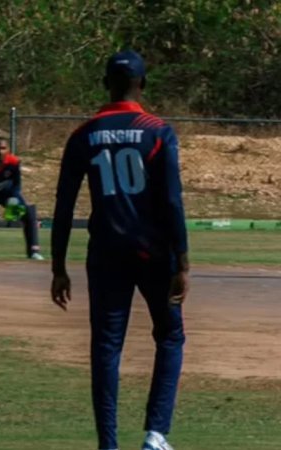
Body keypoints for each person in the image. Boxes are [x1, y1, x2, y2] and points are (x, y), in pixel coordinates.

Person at [50, 50, 189, 450]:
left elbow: (63, 206)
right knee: (170, 336)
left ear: (104, 84)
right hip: (153, 252)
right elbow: (172, 201)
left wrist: (58, 266)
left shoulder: (84, 135)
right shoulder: (158, 132)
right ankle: (156, 434)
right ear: (142, 84)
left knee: (106, 347)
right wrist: (182, 261)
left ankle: (108, 445)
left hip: (106, 254)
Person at [0, 136, 43, 260]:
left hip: (6, 193)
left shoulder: (14, 162)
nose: (0, 152)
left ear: (8, 150)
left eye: (3, 148)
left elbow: (17, 184)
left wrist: (13, 200)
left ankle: (34, 251)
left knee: (29, 213)